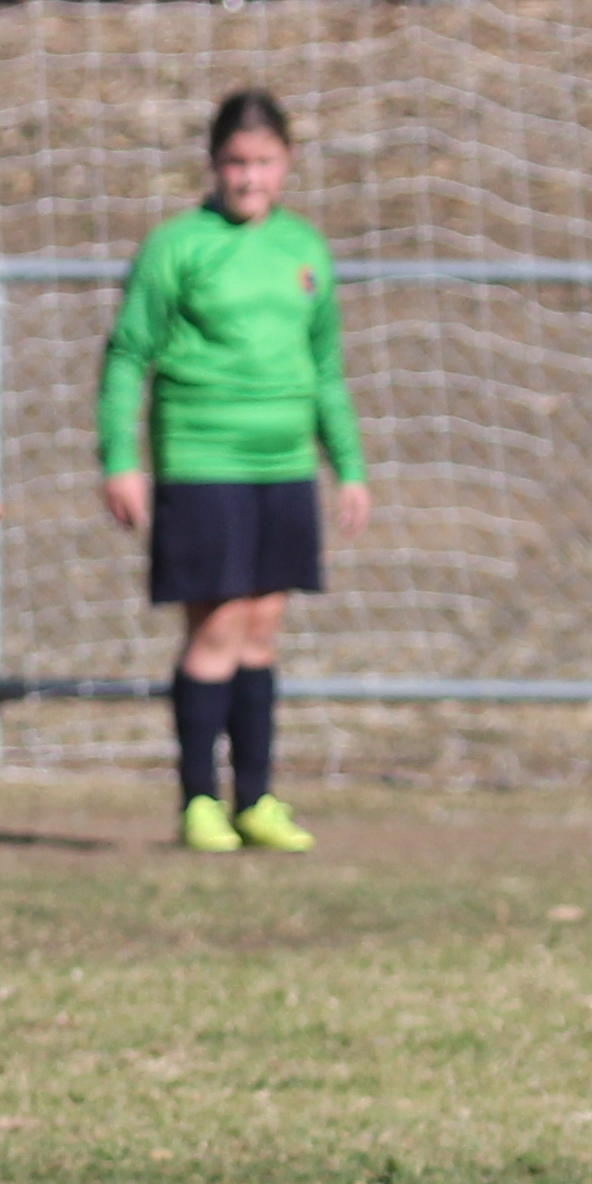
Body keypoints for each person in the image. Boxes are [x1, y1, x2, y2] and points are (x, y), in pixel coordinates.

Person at [99, 86, 366, 855]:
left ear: (287, 165)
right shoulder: (176, 247)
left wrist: (348, 466)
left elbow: (325, 368)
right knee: (213, 631)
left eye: (265, 162)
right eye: (236, 162)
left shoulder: (305, 251)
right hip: (201, 462)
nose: (250, 178)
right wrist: (122, 459)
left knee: (261, 632)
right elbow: (126, 355)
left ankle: (257, 799)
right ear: (215, 165)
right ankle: (197, 801)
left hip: (282, 465)